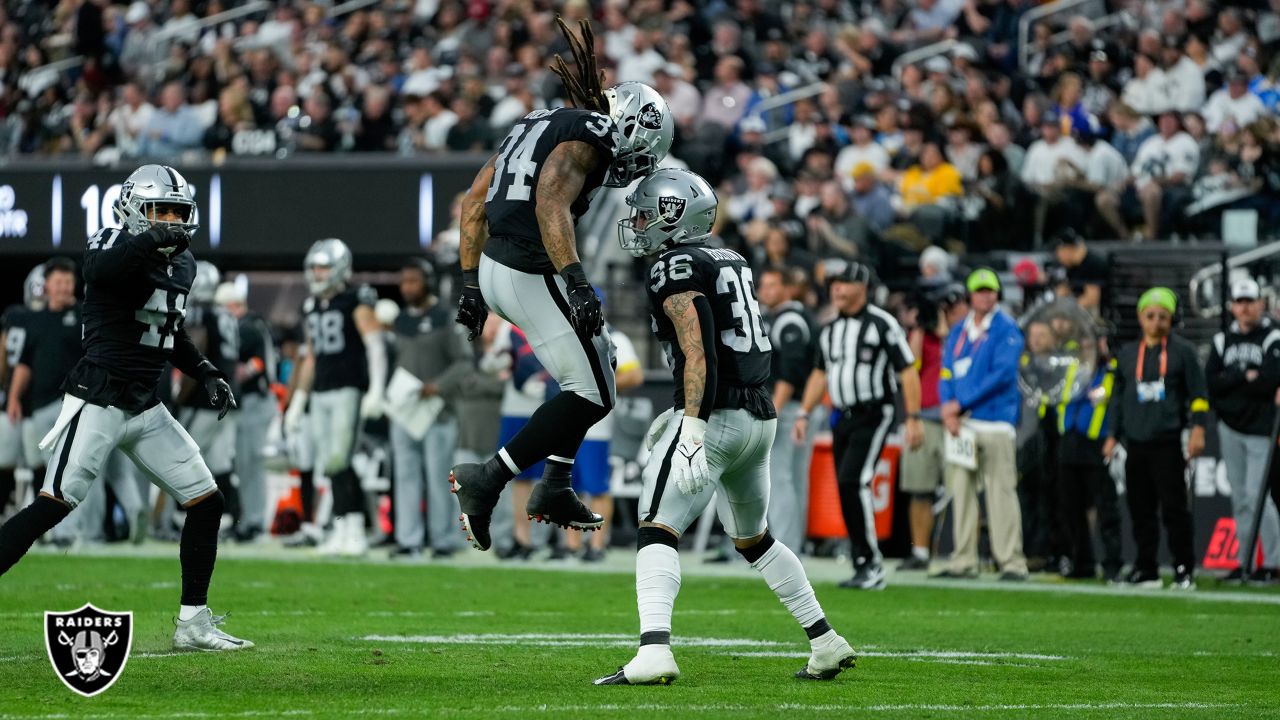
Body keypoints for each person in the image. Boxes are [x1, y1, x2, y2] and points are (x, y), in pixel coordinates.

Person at [597, 167, 854, 685]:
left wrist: (691, 425)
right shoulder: (728, 255)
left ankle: (653, 652)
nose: (640, 223)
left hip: (715, 420)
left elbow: (700, 352)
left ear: (673, 214)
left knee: (656, 527)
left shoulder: (674, 265)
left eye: (648, 213)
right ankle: (825, 640)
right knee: (754, 539)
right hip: (758, 420)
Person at [0, 164, 250, 651]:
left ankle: (192, 623)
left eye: (179, 214)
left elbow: (167, 329)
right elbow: (102, 271)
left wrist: (205, 372)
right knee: (53, 505)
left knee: (206, 499)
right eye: (162, 212)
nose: (172, 223)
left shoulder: (183, 263)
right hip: (100, 397)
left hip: (144, 404)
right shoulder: (112, 241)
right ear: (134, 208)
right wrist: (147, 240)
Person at [449, 18, 673, 552]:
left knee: (595, 370)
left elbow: (473, 202)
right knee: (597, 390)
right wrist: (576, 283)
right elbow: (551, 201)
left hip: (497, 268)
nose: (633, 166)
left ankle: (553, 483)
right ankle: (489, 480)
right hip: (532, 269)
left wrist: (470, 286)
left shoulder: (534, 121)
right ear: (630, 124)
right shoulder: (592, 134)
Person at [795, 262, 924, 590]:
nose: (837, 289)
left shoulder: (883, 324)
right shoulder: (830, 329)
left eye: (844, 283)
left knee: (854, 481)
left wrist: (913, 418)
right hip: (842, 415)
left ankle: (871, 563)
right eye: (834, 284)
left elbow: (907, 371)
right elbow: (819, 374)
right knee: (846, 485)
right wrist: (804, 414)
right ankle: (863, 562)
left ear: (862, 288)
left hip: (874, 412)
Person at [283, 239, 385, 557]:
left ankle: (355, 531)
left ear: (339, 268)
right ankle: (340, 530)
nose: (318, 272)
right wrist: (298, 399)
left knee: (341, 460)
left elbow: (376, 346)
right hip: (322, 391)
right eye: (315, 266)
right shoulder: (312, 305)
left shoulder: (356, 300)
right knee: (330, 465)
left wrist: (376, 389)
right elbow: (311, 357)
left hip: (348, 389)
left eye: (324, 266)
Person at [1104, 287, 1207, 590]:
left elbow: (1198, 395)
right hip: (1135, 443)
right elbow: (1117, 399)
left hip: (1168, 442)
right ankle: (1145, 567)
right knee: (1140, 510)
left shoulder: (1183, 352)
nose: (1156, 321)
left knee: (1175, 509)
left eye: (1163, 316)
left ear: (1171, 318)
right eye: (1150, 315)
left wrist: (1198, 429)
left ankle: (1183, 568)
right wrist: (1112, 435)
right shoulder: (1125, 354)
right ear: (1140, 317)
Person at [936, 269, 1029, 581]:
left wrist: (959, 405)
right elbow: (946, 372)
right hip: (962, 426)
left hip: (995, 423)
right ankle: (964, 560)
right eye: (979, 291)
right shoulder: (959, 331)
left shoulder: (1008, 329)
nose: (985, 295)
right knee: (960, 491)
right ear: (971, 296)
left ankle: (1012, 563)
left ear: (997, 294)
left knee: (1001, 492)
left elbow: (1002, 375)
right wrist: (948, 410)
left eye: (990, 290)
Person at [388, 260, 471, 559]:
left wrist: (438, 386)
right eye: (404, 281)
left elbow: (464, 362)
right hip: (404, 409)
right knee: (405, 476)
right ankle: (408, 539)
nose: (407, 287)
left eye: (413, 281)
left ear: (428, 283)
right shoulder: (399, 321)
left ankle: (443, 540)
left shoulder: (445, 318)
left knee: (439, 479)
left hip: (438, 410)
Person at [1205, 278, 1280, 581]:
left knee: (1258, 495)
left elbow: (1269, 379)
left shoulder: (1273, 336)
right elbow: (1213, 382)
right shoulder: (1222, 340)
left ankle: (1274, 562)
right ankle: (1245, 561)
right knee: (1240, 498)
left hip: (1261, 427)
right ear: (1232, 306)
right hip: (1230, 426)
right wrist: (1244, 375)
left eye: (1250, 301)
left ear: (1261, 304)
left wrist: (1235, 378)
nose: (1245, 307)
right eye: (1239, 301)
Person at [899, 282, 967, 570]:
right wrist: (921, 328)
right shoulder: (921, 335)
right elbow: (910, 365)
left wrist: (944, 327)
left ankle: (963, 553)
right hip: (924, 418)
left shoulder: (966, 334)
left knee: (963, 490)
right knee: (920, 489)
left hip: (958, 420)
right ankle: (921, 552)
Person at [175, 262, 241, 534]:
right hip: (227, 396)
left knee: (183, 455)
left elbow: (197, 349)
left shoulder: (200, 312)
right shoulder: (224, 313)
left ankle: (185, 516)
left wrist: (181, 396)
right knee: (219, 460)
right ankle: (230, 515)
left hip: (204, 397)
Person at [757, 268, 818, 554]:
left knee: (780, 477)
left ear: (787, 288)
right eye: (763, 285)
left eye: (773, 284)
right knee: (792, 478)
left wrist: (774, 412)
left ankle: (784, 546)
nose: (766, 291)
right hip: (796, 408)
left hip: (789, 407)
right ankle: (793, 544)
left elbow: (790, 375)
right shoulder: (778, 317)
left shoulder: (790, 319)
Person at [218, 282, 277, 543]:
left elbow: (257, 363)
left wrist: (238, 375)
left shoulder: (248, 327)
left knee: (250, 464)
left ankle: (254, 521)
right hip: (250, 403)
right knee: (244, 464)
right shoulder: (253, 325)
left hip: (256, 401)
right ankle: (249, 519)